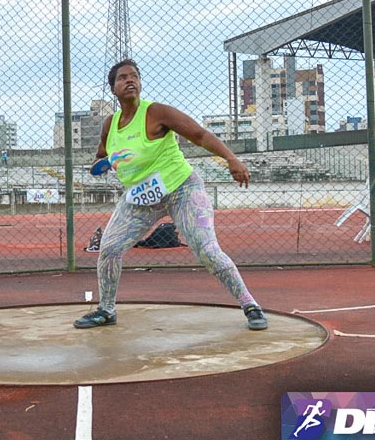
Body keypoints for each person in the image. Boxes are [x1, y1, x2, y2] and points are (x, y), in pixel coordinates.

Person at [73, 59, 268, 330]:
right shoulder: (110, 125)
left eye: (134, 76)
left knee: (206, 249)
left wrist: (231, 159)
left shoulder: (156, 113)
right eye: (122, 78)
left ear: (139, 83)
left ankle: (250, 305)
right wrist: (100, 165)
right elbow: (100, 158)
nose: (130, 80)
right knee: (109, 249)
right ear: (113, 89)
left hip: (181, 189)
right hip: (140, 198)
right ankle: (106, 310)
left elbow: (199, 134)